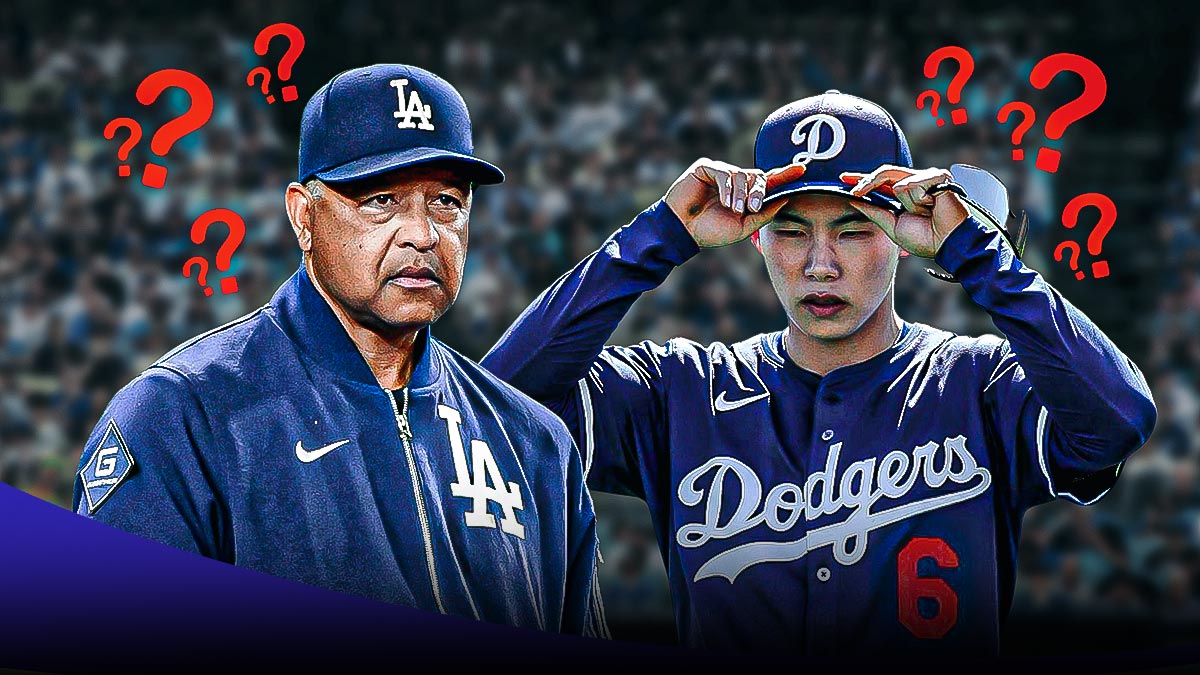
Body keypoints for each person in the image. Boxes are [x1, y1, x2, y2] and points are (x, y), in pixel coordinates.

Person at [482, 90, 1155, 652]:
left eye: (855, 229)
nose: (820, 264)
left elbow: (1118, 420)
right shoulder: (679, 389)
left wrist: (974, 250)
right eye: (793, 229)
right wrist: (658, 234)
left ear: (899, 234)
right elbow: (493, 411)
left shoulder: (977, 382)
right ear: (754, 233)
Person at [73, 64, 607, 637]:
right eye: (380, 199)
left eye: (447, 202)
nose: (422, 233)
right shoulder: (183, 415)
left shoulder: (533, 442)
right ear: (304, 215)